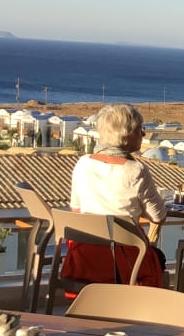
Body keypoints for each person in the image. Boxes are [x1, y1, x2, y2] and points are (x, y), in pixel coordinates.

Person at [63, 104, 168, 289]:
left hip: (85, 258)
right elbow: (158, 216)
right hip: (125, 261)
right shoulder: (135, 170)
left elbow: (76, 209)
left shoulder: (83, 163)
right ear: (126, 135)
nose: (143, 135)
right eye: (140, 130)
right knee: (158, 258)